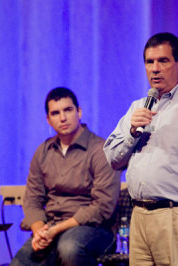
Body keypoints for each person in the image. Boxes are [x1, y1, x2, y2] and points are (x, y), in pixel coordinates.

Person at [103, 32, 178, 266]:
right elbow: (112, 158)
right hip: (139, 216)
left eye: (163, 61)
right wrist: (131, 132)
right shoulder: (137, 108)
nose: (155, 69)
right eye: (149, 62)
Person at [11, 87, 120, 266]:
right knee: (19, 263)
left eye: (68, 110)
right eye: (55, 113)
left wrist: (55, 231)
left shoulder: (100, 149)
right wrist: (39, 231)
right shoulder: (43, 152)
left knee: (69, 248)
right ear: (48, 119)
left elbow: (102, 206)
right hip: (51, 226)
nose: (62, 118)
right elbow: (32, 200)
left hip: (94, 229)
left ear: (79, 112)